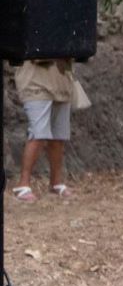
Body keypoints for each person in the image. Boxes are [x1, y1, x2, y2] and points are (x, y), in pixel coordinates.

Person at [11, 58, 84, 201]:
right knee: (38, 133)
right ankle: (23, 185)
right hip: (35, 83)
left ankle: (56, 183)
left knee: (58, 136)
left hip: (61, 82)